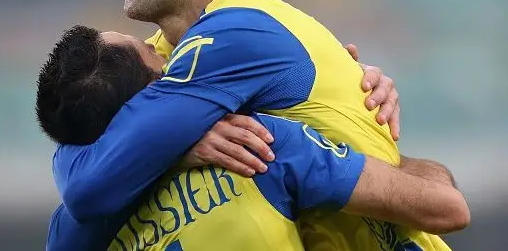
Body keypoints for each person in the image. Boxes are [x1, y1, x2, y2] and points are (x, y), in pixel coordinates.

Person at [53, 0, 454, 250]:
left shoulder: (239, 33)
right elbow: (74, 159)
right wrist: (169, 144)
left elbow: (86, 185)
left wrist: (163, 146)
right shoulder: (153, 59)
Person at [38, 26, 469, 251]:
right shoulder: (260, 143)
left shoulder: (74, 230)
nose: (166, 49)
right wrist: (350, 114)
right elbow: (445, 205)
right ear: (153, 93)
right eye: (152, 51)